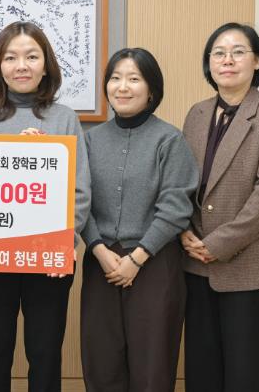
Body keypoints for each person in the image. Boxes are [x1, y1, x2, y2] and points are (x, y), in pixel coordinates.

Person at [0, 21, 91, 392]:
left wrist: (64, 242)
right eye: (11, 57)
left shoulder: (64, 118)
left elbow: (80, 189)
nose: (22, 65)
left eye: (32, 57)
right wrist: (15, 155)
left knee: (45, 350)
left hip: (49, 256)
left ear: (45, 65)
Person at [180, 23, 259, 392]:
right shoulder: (196, 114)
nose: (227, 60)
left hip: (251, 266)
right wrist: (184, 231)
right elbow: (182, 182)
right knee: (202, 371)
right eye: (219, 53)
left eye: (238, 52)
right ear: (209, 63)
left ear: (256, 61)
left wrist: (219, 243)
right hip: (196, 263)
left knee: (247, 374)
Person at [80, 48, 198, 391]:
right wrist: (98, 249)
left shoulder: (170, 139)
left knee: (153, 366)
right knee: (102, 362)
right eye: (115, 78)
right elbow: (79, 200)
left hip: (155, 263)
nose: (123, 87)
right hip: (101, 263)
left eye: (134, 79)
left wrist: (137, 258)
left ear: (151, 90)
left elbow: (176, 207)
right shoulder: (90, 140)